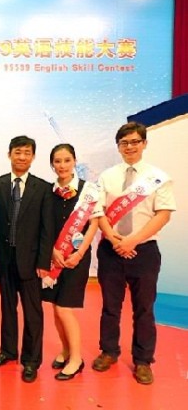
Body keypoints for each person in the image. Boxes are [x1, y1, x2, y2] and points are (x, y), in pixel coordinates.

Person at [92, 122, 175, 385]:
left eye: (135, 141)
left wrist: (133, 241)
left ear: (144, 143)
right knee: (110, 307)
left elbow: (163, 214)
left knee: (144, 308)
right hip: (111, 249)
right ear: (118, 146)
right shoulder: (107, 177)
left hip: (144, 250)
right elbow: (98, 211)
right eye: (124, 142)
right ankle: (109, 351)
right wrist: (112, 237)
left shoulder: (157, 177)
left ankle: (143, 360)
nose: (130, 147)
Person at [0, 135, 54, 383]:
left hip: (31, 262)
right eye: (18, 152)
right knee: (7, 308)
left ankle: (31, 360)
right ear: (9, 154)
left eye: (27, 153)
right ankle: (8, 351)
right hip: (3, 260)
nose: (22, 157)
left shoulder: (43, 188)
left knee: (33, 313)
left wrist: (43, 263)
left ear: (33, 157)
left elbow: (47, 229)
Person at [41, 144, 99, 381]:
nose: (62, 165)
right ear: (52, 164)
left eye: (67, 160)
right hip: (55, 257)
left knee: (64, 308)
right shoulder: (48, 192)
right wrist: (52, 251)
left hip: (76, 259)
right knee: (56, 307)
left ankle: (76, 358)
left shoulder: (89, 191)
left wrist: (79, 253)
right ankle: (65, 350)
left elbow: (94, 224)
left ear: (74, 161)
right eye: (57, 161)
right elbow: (45, 225)